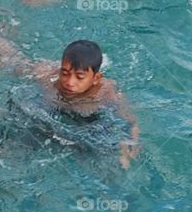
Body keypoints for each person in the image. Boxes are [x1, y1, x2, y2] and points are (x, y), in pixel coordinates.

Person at [37, 40, 140, 169]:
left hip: (91, 121)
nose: (70, 82)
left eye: (79, 77)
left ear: (96, 78)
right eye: (64, 73)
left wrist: (132, 143)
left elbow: (130, 121)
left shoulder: (106, 92)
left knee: (113, 159)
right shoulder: (46, 76)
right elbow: (15, 61)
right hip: (53, 113)